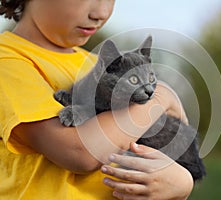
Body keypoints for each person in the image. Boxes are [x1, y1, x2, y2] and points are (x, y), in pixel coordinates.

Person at [0, 0, 194, 199]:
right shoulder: (7, 62)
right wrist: (162, 98)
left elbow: (176, 147)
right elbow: (80, 152)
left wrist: (182, 184)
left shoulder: (99, 64)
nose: (101, 12)